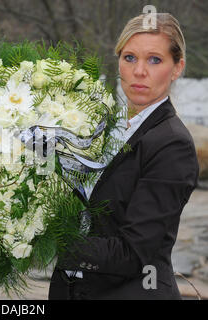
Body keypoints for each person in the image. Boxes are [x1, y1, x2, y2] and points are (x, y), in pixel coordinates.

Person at [48, 13, 199, 300]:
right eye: (129, 58)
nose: (139, 71)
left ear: (177, 67)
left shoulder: (172, 145)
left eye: (154, 60)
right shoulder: (103, 127)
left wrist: (46, 239)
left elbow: (133, 253)